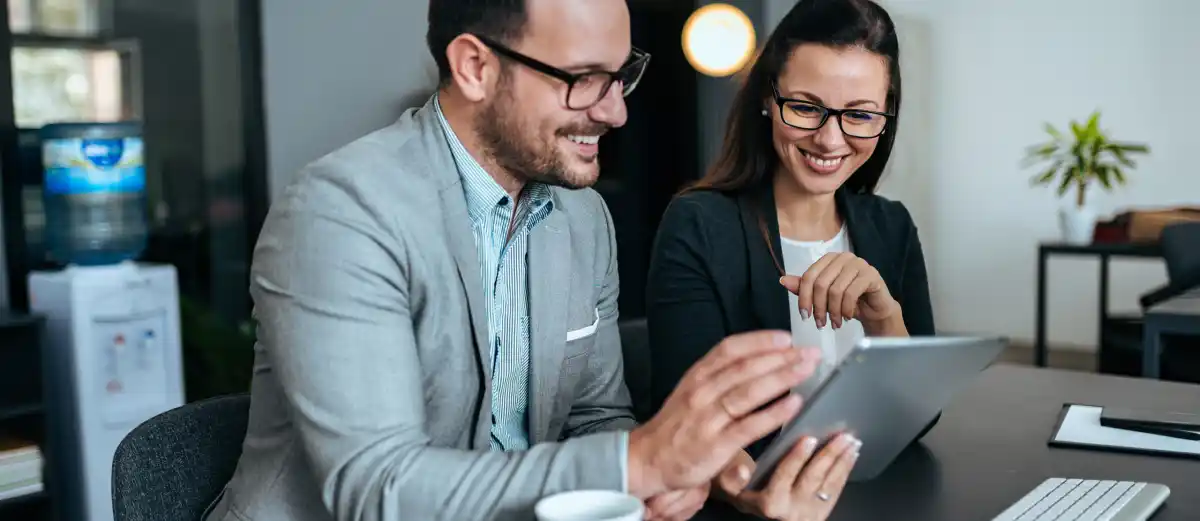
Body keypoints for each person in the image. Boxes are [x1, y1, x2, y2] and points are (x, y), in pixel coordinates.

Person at [202, 1, 823, 521]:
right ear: (475, 67)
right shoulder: (342, 213)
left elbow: (594, 416)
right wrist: (635, 463)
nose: (615, 111)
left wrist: (679, 475)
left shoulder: (583, 219)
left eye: (621, 75)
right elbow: (377, 489)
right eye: (582, 79)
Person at [645, 0, 934, 519]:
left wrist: (885, 315)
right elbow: (687, 427)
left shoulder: (891, 226)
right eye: (805, 106)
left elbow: (918, 419)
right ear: (765, 97)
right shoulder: (700, 224)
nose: (829, 138)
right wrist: (751, 495)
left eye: (860, 115)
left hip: (874, 494)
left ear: (885, 117)